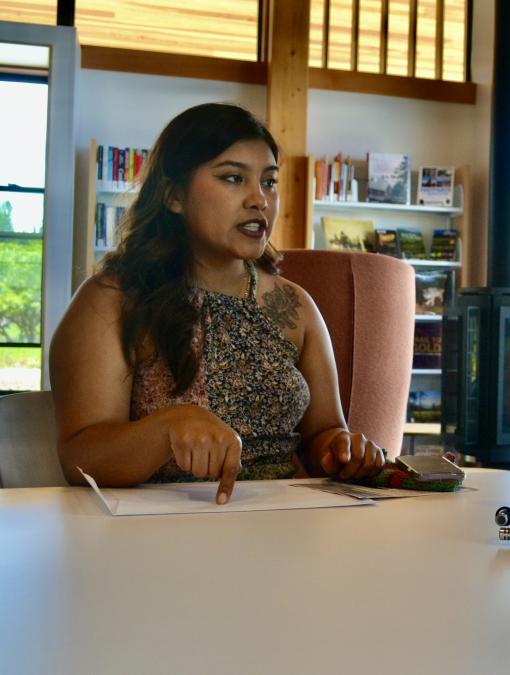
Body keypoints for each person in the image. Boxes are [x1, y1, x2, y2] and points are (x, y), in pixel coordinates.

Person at [50, 103, 385, 505]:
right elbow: (80, 457)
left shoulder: (294, 306)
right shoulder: (111, 300)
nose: (259, 199)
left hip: (282, 522)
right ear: (174, 195)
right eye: (233, 178)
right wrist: (169, 426)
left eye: (269, 181)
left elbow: (324, 434)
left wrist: (343, 450)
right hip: (152, 525)